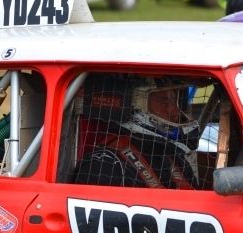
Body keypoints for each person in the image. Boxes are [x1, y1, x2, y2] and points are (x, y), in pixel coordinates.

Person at [72, 75, 201, 189]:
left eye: (174, 100)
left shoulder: (176, 158)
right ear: (136, 106)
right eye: (164, 101)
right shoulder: (104, 165)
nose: (175, 112)